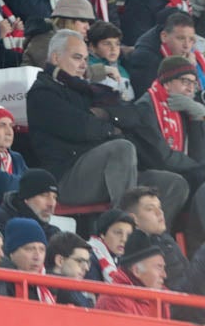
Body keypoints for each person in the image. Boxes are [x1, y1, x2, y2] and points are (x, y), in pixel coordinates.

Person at [27, 31, 189, 217]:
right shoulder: (43, 93)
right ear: (56, 58)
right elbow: (84, 128)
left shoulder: (86, 88)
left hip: (110, 171)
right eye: (77, 58)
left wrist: (104, 114)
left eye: (85, 59)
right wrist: (112, 128)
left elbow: (132, 115)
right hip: (67, 178)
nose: (83, 65)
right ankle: (122, 223)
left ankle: (148, 232)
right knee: (121, 148)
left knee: (174, 183)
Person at [126, 54, 205, 233]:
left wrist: (197, 117)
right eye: (185, 81)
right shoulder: (146, 107)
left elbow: (198, 155)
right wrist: (199, 166)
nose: (190, 89)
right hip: (148, 171)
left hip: (179, 168)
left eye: (194, 83)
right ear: (167, 83)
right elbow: (160, 158)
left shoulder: (183, 107)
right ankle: (160, 236)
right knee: (193, 178)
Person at [94, 230, 171, 317]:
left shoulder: (161, 297)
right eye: (159, 267)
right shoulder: (115, 300)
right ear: (136, 271)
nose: (164, 275)